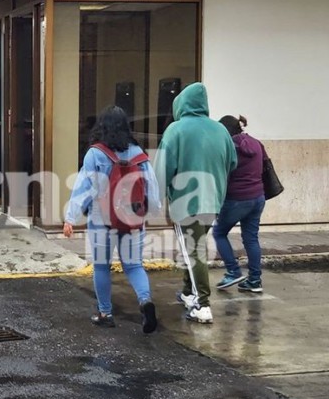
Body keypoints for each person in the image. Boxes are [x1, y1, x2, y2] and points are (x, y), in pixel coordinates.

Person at [64, 106, 161, 333]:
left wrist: (71, 217)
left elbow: (84, 188)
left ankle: (105, 313)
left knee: (101, 267)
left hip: (102, 221)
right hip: (133, 220)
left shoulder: (95, 154)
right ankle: (145, 301)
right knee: (135, 265)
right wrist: (153, 211)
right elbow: (151, 188)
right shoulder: (139, 154)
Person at [154, 83, 237, 324]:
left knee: (194, 252)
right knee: (195, 246)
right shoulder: (220, 130)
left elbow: (163, 168)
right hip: (213, 200)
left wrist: (157, 198)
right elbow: (232, 162)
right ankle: (189, 292)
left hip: (185, 202)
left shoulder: (176, 130)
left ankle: (203, 304)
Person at [213, 115, 266, 293]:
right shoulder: (257, 143)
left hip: (236, 199)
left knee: (219, 232)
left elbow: (222, 174)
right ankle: (254, 280)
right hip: (258, 197)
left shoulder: (229, 147)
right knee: (251, 238)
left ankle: (233, 271)